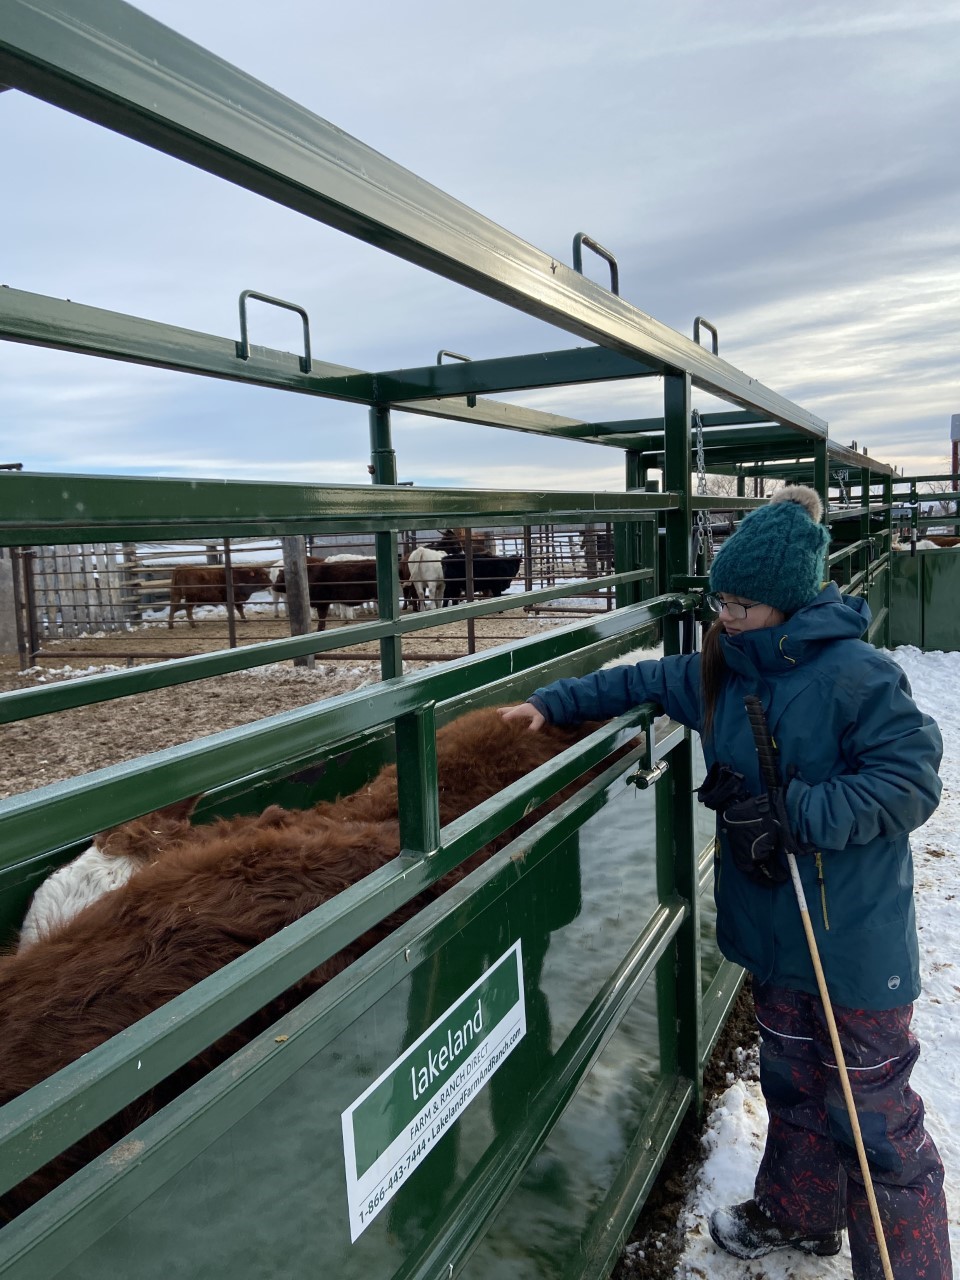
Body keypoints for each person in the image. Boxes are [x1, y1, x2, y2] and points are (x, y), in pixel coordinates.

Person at [499, 485, 952, 1280]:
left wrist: (796, 813)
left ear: (786, 602)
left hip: (851, 937)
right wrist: (550, 705)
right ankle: (799, 1213)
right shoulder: (721, 672)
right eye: (720, 600)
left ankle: (907, 1266)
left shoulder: (859, 676)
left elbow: (909, 780)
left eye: (739, 603)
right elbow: (638, 681)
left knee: (873, 1116)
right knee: (792, 1081)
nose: (724, 616)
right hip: (773, 933)